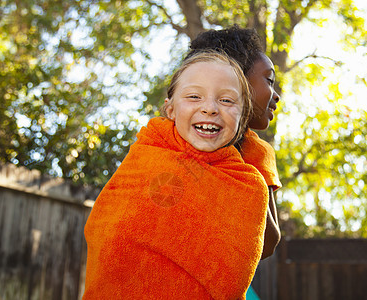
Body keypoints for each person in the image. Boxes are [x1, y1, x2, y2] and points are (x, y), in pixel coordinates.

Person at [83, 51, 270, 299]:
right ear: (170, 109)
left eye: (226, 101)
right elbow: (103, 230)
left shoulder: (248, 186)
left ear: (242, 116)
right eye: (194, 96)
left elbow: (231, 282)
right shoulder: (147, 153)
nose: (210, 109)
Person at [187, 25, 282, 260]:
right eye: (269, 80)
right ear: (236, 79)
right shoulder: (167, 138)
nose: (276, 94)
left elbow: (268, 242)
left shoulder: (256, 151)